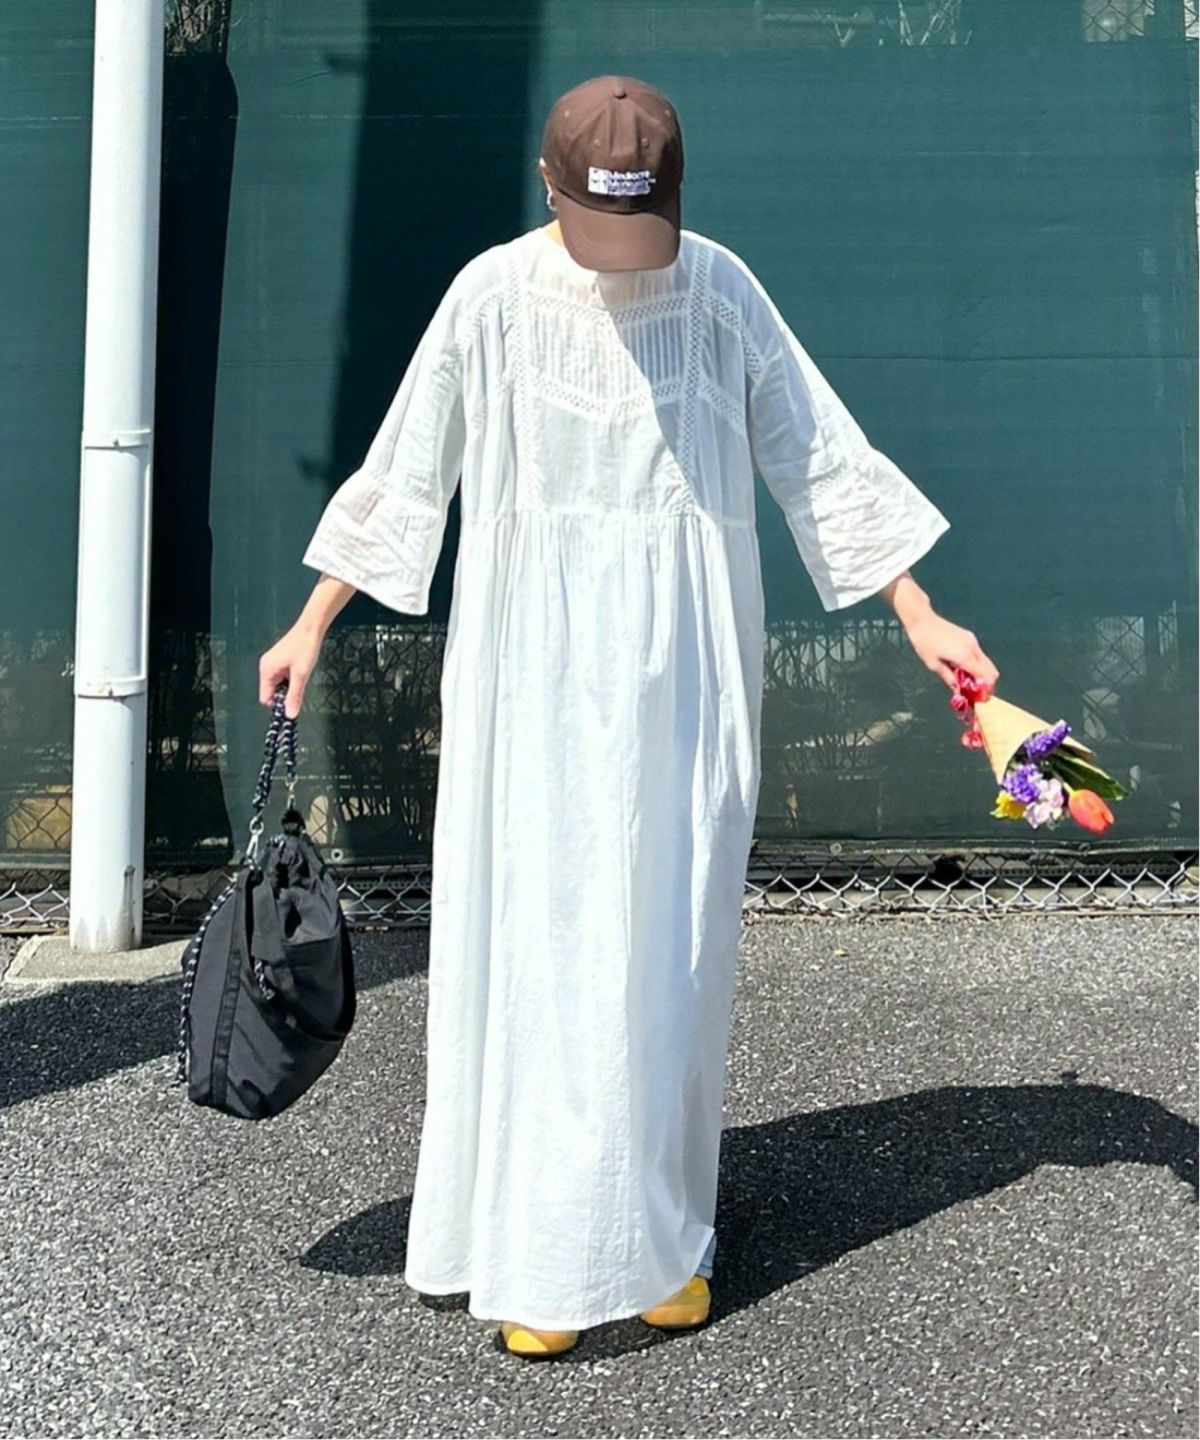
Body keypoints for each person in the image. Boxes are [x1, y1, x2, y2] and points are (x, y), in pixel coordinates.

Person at [259, 75, 1000, 1358]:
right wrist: (313, 620)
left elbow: (816, 455)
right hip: (529, 673)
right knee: (537, 939)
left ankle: (658, 1239)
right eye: (597, 221)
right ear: (549, 191)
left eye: (640, 222)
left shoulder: (717, 289)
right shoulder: (491, 295)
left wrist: (920, 613)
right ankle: (545, 1250)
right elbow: (407, 468)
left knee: (668, 945)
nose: (620, 251)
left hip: (685, 673)